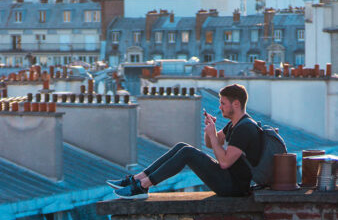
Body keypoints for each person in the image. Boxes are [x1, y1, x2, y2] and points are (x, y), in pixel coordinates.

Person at [107, 84, 262, 199]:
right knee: (182, 147)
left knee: (188, 153)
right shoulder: (235, 125)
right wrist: (210, 130)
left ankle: (143, 186)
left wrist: (213, 136)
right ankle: (137, 179)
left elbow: (225, 163)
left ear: (236, 104)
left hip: (233, 187)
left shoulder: (245, 128)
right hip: (228, 179)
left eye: (223, 103)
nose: (220, 107)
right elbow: (210, 144)